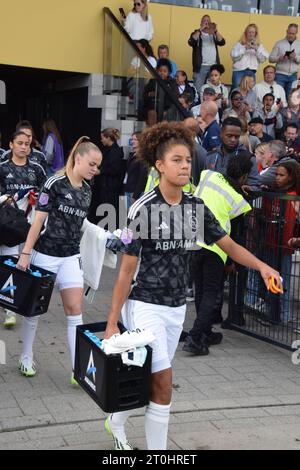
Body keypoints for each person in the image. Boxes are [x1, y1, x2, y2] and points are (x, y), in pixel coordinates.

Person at [103, 121, 281, 451]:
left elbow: (228, 245)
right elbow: (125, 273)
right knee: (163, 383)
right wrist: (112, 323)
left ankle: (116, 420)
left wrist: (262, 266)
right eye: (177, 160)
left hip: (176, 311)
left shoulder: (195, 208)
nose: (185, 165)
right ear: (159, 166)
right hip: (145, 306)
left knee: (152, 380)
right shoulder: (143, 209)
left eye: (188, 160)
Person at [16, 137, 102, 380]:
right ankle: (25, 356)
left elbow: (81, 223)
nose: (96, 170)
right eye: (93, 164)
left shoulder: (86, 190)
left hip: (70, 257)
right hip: (44, 255)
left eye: (98, 166)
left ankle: (78, 368)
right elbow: (38, 221)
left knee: (75, 310)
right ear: (79, 159)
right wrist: (25, 254)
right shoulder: (54, 183)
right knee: (34, 311)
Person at [183, 152, 253, 355]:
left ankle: (204, 332)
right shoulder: (239, 201)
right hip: (216, 248)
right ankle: (196, 337)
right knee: (210, 293)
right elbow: (235, 238)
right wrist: (232, 261)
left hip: (193, 241)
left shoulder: (208, 175)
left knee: (200, 290)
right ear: (245, 177)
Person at [0, 131, 47, 328]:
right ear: (11, 144)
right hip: (8, 225)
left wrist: (37, 197)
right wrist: (9, 198)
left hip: (30, 225)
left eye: (27, 143)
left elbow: (47, 193)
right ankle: (9, 309)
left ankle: (20, 302)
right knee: (8, 264)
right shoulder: (2, 168)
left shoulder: (36, 168)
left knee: (24, 265)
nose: (24, 147)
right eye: (19, 143)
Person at [262, 160, 300, 323]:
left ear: (291, 177)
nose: (277, 178)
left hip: (285, 246)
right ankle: (272, 311)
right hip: (271, 243)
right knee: (272, 279)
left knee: (283, 278)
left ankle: (283, 314)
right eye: (276, 174)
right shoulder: (274, 193)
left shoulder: (294, 197)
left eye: (281, 175)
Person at [205, 117, 260, 188]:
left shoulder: (248, 158)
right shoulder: (210, 156)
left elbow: (256, 186)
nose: (233, 140)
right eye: (229, 136)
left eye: (236, 137)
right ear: (221, 133)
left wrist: (249, 189)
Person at [89, 128, 124, 226]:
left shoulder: (116, 152)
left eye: (103, 138)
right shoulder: (107, 150)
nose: (101, 140)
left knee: (108, 211)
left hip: (110, 188)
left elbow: (114, 169)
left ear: (108, 138)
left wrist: (100, 171)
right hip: (104, 187)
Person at [188, 15, 225, 96]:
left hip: (213, 67)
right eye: (204, 20)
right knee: (198, 90)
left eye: (208, 20)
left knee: (211, 91)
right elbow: (191, 42)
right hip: (200, 67)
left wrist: (215, 31)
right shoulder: (196, 33)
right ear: (201, 23)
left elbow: (222, 42)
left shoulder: (214, 35)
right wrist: (200, 29)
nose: (206, 22)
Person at [231, 24, 269, 91]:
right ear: (246, 33)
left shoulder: (259, 46)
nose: (251, 34)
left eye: (253, 32)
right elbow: (233, 56)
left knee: (250, 91)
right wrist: (245, 48)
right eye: (249, 32)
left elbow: (263, 59)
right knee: (236, 90)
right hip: (239, 71)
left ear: (255, 34)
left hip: (251, 72)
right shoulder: (239, 44)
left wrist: (256, 49)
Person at [269, 24, 300, 100]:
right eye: (289, 33)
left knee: (291, 98)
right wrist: (280, 58)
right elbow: (270, 59)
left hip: (293, 76)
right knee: (277, 97)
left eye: (293, 33)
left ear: (296, 33)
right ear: (286, 31)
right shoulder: (279, 43)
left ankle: (287, 112)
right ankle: (277, 112)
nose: (290, 35)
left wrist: (295, 57)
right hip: (280, 75)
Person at [123, 132, 148, 209]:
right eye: (132, 139)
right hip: (127, 189)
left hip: (134, 192)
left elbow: (142, 177)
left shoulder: (143, 157)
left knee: (134, 216)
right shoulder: (132, 155)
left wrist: (136, 195)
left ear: (141, 141)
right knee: (126, 215)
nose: (132, 141)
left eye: (135, 140)